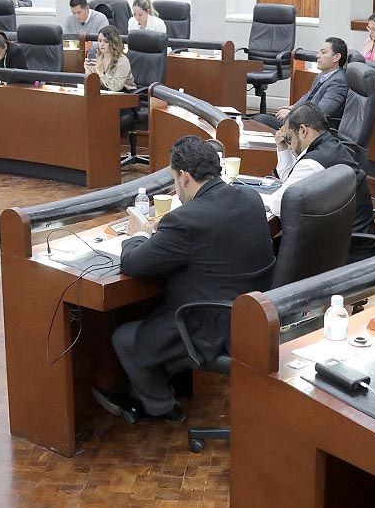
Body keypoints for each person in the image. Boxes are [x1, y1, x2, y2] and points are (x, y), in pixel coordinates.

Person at [97, 135, 274, 422]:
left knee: (124, 339)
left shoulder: (185, 220)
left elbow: (133, 263)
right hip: (250, 314)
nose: (174, 188)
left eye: (173, 180)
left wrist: (138, 234)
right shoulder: (250, 198)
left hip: (209, 326)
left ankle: (162, 407)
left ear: (185, 177)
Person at [269, 104, 375, 261]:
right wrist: (282, 148)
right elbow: (292, 181)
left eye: (289, 138)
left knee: (263, 252)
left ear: (303, 130)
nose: (289, 144)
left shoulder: (313, 164)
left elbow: (280, 204)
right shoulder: (331, 147)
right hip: (357, 243)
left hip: (345, 253)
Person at [253, 37, 348, 130]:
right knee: (257, 119)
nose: (318, 56)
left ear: (336, 57)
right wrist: (293, 108)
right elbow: (308, 97)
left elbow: (322, 112)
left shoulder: (339, 82)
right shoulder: (323, 75)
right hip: (303, 122)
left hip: (312, 129)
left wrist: (292, 114)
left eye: (323, 52)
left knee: (260, 120)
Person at [84, 25, 136, 92]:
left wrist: (101, 73)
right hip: (106, 93)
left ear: (113, 42)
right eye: (100, 41)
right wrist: (88, 71)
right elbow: (95, 83)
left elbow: (116, 87)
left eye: (106, 41)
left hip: (125, 94)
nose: (102, 44)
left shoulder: (122, 61)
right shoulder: (99, 57)